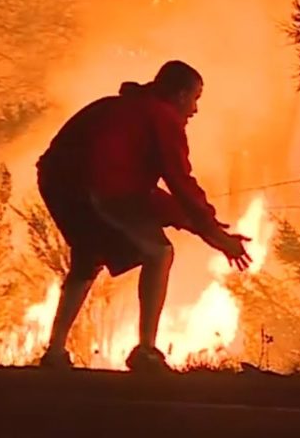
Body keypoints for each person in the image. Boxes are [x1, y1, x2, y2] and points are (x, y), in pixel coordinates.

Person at [35, 60, 252, 372]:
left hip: (59, 183)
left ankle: (54, 352)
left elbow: (147, 195)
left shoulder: (127, 108)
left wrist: (206, 229)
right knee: (160, 252)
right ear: (179, 95)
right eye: (195, 99)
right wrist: (213, 233)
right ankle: (146, 350)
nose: (194, 110)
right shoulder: (161, 117)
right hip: (93, 188)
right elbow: (179, 180)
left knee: (88, 257)